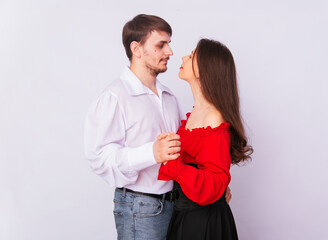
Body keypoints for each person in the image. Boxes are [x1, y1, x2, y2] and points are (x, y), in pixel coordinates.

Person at [84, 14, 183, 239]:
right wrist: (151, 153)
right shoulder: (114, 96)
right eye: (161, 45)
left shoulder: (169, 97)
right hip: (139, 208)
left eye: (169, 44)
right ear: (136, 49)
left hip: (175, 205)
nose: (170, 52)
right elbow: (98, 157)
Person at [157, 39, 253, 240]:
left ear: (204, 69)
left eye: (191, 56)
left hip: (203, 223)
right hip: (186, 216)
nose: (183, 57)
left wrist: (174, 163)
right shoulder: (194, 115)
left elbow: (215, 181)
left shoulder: (213, 118)